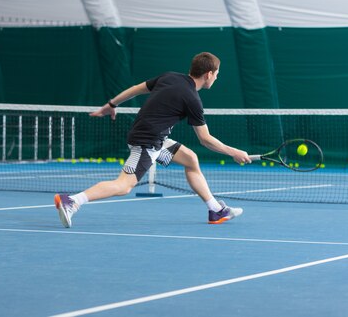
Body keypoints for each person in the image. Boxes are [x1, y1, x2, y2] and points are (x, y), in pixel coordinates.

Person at [54, 52, 252, 228]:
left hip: (154, 138)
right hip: (146, 142)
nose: (216, 77)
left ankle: (215, 209)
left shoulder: (169, 77)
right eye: (216, 74)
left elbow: (135, 89)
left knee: (190, 159)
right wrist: (234, 152)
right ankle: (72, 200)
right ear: (208, 73)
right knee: (124, 186)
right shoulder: (192, 99)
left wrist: (111, 104)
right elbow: (205, 139)